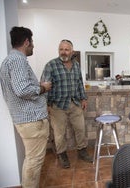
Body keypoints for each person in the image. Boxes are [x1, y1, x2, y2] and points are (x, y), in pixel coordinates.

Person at [0, 26, 52, 188]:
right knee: (34, 161)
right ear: (26, 42)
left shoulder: (9, 61)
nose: (33, 46)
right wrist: (43, 87)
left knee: (32, 159)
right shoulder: (17, 60)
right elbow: (22, 90)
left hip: (26, 119)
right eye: (32, 42)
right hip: (32, 120)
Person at [41, 39, 92, 169]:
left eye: (66, 49)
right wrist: (46, 104)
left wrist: (83, 98)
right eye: (61, 49)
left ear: (72, 51)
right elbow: (44, 86)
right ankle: (62, 154)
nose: (63, 52)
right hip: (57, 106)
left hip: (75, 103)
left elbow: (80, 83)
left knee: (80, 128)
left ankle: (82, 151)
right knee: (59, 133)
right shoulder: (50, 65)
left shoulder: (76, 65)